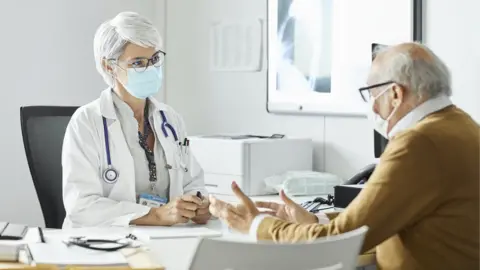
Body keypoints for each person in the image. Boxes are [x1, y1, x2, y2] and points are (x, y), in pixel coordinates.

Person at [209, 42, 480, 270]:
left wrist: (257, 224)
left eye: (373, 94)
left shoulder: (417, 143)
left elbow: (337, 242)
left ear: (396, 93)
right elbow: (380, 220)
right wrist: (317, 220)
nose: (372, 105)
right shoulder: (462, 126)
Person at [62, 12, 210, 228]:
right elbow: (82, 207)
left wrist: (199, 206)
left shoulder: (170, 120)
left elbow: (192, 182)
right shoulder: (86, 122)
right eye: (138, 63)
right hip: (102, 246)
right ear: (109, 66)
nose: (150, 69)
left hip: (168, 239)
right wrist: (155, 215)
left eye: (155, 59)